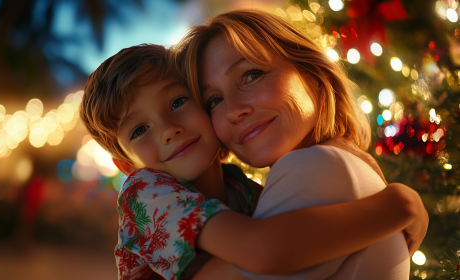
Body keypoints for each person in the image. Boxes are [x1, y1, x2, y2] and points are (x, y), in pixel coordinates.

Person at [80, 44, 427, 280]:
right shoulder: (146, 194)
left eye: (176, 103)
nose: (169, 130)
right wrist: (398, 205)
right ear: (126, 165)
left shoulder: (239, 188)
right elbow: (265, 251)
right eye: (140, 129)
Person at [174, 8, 427, 280]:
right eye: (214, 100)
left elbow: (263, 253)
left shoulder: (314, 166)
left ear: (313, 76)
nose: (233, 110)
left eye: (251, 75)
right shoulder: (333, 163)